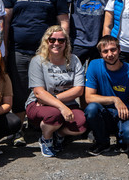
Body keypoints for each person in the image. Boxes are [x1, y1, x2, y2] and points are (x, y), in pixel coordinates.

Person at [4, 0, 70, 145]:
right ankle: (18, 130)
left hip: (46, 53)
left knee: (47, 90)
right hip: (18, 50)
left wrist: (63, 45)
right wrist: (4, 48)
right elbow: (5, 22)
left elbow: (63, 21)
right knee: (19, 90)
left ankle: (43, 126)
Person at [25, 26, 87, 157]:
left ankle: (59, 135)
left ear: (66, 43)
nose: (56, 43)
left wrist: (57, 102)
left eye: (61, 40)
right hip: (37, 104)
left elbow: (79, 90)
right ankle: (46, 138)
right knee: (54, 115)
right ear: (46, 41)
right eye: (52, 40)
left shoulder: (74, 60)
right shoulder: (38, 61)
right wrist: (61, 107)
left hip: (63, 103)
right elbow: (39, 93)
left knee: (81, 124)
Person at [84, 36, 129, 155]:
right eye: (105, 51)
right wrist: (115, 99)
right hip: (106, 111)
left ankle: (122, 140)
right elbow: (89, 97)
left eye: (113, 50)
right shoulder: (94, 65)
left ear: (119, 50)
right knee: (91, 109)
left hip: (127, 112)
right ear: (100, 54)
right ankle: (102, 142)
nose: (110, 54)